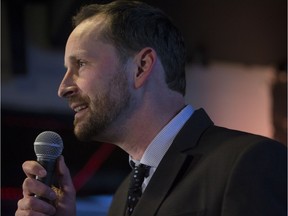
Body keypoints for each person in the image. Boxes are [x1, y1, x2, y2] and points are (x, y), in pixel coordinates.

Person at [15, 1, 286, 216]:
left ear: (141, 67)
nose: (63, 88)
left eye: (81, 64)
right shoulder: (123, 196)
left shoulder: (249, 162)